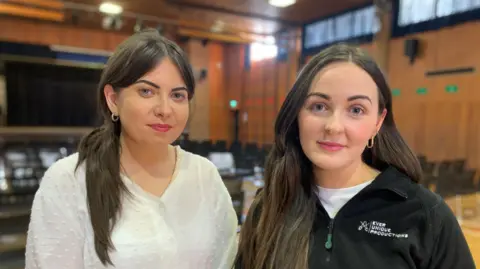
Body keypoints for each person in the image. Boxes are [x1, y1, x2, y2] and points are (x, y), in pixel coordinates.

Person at [236, 44, 475, 269]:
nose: (334, 126)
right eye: (319, 106)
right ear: (297, 115)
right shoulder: (269, 206)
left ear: (377, 123)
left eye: (356, 110)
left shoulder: (425, 214)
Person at [25, 29, 238, 269]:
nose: (165, 109)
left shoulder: (204, 175)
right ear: (113, 99)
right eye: (147, 91)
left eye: (177, 95)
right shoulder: (68, 180)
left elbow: (227, 259)